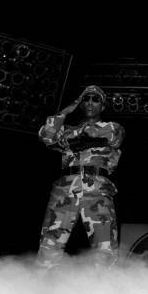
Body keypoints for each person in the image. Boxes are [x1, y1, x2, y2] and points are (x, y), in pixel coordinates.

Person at [37, 85, 125, 269]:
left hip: (98, 190)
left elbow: (109, 136)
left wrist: (77, 141)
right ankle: (41, 291)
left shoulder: (113, 127)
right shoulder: (66, 130)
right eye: (86, 99)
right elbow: (46, 135)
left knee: (105, 249)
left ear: (103, 106)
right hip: (65, 191)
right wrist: (69, 109)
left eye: (95, 99)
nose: (90, 102)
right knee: (49, 246)